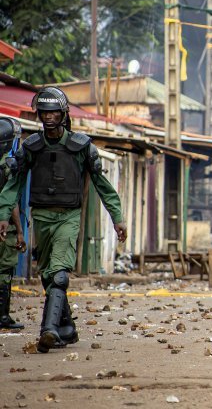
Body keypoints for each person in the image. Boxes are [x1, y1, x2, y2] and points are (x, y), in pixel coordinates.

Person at [0, 87, 127, 352]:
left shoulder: (82, 147)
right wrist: (3, 215)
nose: (48, 117)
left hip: (68, 216)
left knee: (59, 275)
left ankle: (48, 331)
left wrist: (117, 218)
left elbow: (103, 185)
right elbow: (15, 184)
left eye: (53, 112)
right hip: (41, 217)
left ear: (63, 113)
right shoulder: (31, 147)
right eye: (44, 112)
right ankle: (67, 329)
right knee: (48, 276)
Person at [0, 117, 24, 329]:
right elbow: (13, 202)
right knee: (5, 270)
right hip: (4, 228)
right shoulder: (8, 167)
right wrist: (19, 231)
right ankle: (3, 316)